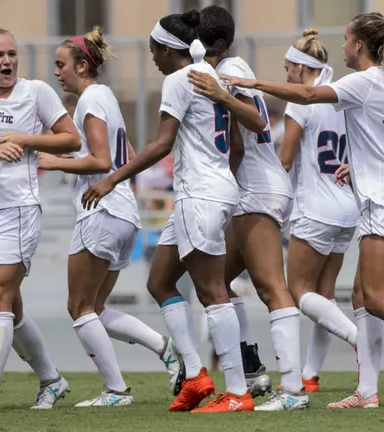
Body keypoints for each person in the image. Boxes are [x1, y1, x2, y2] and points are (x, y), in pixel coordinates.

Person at [220, 12, 384, 407]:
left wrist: (252, 83)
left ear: (360, 45)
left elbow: (308, 96)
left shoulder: (364, 81)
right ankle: (367, 391)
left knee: (376, 296)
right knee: (361, 296)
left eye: (345, 39)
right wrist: (361, 163)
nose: (341, 46)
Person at [81, 10, 255, 413]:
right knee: (159, 281)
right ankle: (195, 375)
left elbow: (161, 145)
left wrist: (112, 179)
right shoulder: (209, 75)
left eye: (152, 51)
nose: (152, 59)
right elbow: (245, 137)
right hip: (205, 193)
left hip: (201, 195)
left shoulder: (178, 80)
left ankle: (239, 392)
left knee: (213, 293)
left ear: (165, 49)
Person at [38, 26, 183, 407]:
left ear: (83, 65)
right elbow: (127, 154)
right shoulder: (107, 99)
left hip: (100, 211)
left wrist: (55, 161)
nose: (56, 72)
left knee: (79, 307)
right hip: (123, 214)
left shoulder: (90, 101)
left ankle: (116, 390)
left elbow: (102, 161)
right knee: (94, 307)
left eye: (61, 64)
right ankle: (162, 346)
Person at [0, 27, 80, 413]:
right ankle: (52, 380)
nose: (6, 61)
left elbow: (70, 138)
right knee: (10, 307)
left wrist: (25, 139)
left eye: (11, 54)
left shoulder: (36, 91)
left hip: (18, 208)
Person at [187, 5, 307, 411]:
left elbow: (255, 122)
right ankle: (252, 370)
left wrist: (221, 94)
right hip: (255, 188)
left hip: (257, 187)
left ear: (200, 42)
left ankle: (292, 391)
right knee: (215, 284)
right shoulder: (234, 63)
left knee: (272, 287)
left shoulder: (226, 73)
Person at [274, 29, 359, 394]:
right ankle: (310, 375)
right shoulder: (342, 96)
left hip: (316, 209)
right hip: (347, 210)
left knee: (298, 292)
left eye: (287, 69)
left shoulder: (300, 101)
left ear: (300, 67)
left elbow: (286, 159)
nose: (286, 76)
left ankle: (360, 340)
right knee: (324, 296)